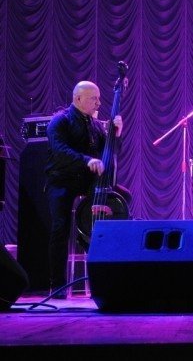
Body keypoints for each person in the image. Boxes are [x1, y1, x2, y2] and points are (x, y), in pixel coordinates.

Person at [45, 81, 130, 298]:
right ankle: (57, 284)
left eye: (99, 98)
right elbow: (60, 151)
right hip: (62, 180)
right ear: (78, 99)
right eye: (94, 98)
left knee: (122, 198)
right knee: (60, 225)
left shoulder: (95, 125)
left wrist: (116, 135)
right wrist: (87, 160)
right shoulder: (60, 121)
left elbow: (109, 153)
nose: (99, 103)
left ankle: (96, 250)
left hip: (87, 182)